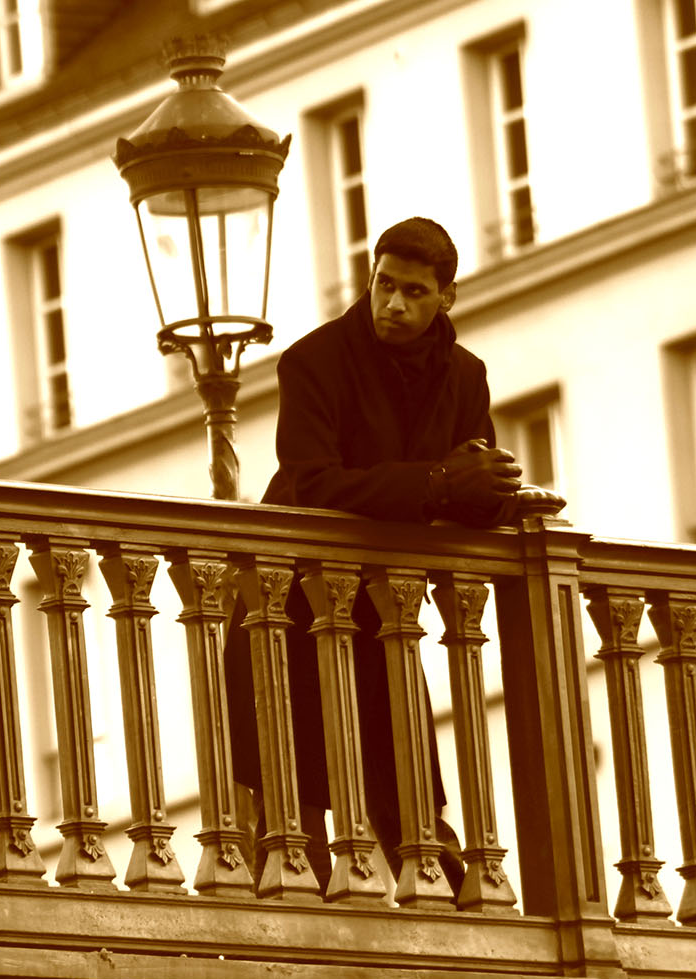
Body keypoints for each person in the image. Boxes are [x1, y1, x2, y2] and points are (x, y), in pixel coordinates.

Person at [225, 217, 527, 897]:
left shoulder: (465, 375)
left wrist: (495, 490)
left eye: (413, 292)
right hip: (287, 605)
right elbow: (311, 481)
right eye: (384, 284)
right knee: (286, 814)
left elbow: (470, 490)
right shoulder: (314, 360)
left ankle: (452, 922)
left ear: (445, 298)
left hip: (383, 614)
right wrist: (438, 482)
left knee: (409, 795)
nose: (393, 303)